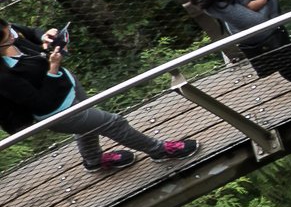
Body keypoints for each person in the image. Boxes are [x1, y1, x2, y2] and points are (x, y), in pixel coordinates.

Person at [0, 20, 196, 174]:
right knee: (113, 123)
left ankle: (93, 160)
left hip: (67, 85)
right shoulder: (4, 77)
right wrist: (53, 68)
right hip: (57, 111)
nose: (14, 36)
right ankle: (159, 150)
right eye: (9, 36)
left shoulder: (8, 32)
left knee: (87, 128)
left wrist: (45, 36)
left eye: (11, 30)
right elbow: (42, 103)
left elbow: (29, 32)